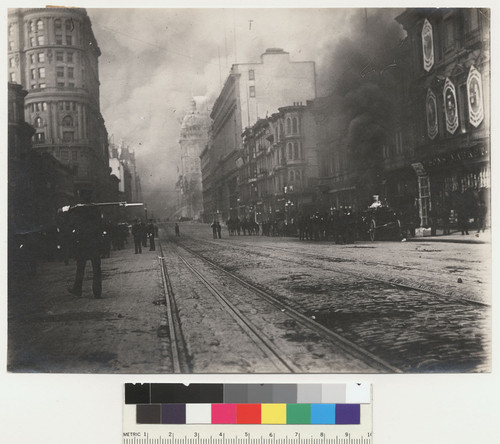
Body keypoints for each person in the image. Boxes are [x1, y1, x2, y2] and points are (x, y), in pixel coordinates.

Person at [67, 189, 103, 299]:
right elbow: (100, 224)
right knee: (96, 267)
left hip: (82, 242)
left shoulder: (78, 210)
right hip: (94, 242)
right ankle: (97, 291)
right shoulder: (95, 209)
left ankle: (77, 289)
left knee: (80, 267)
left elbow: (73, 224)